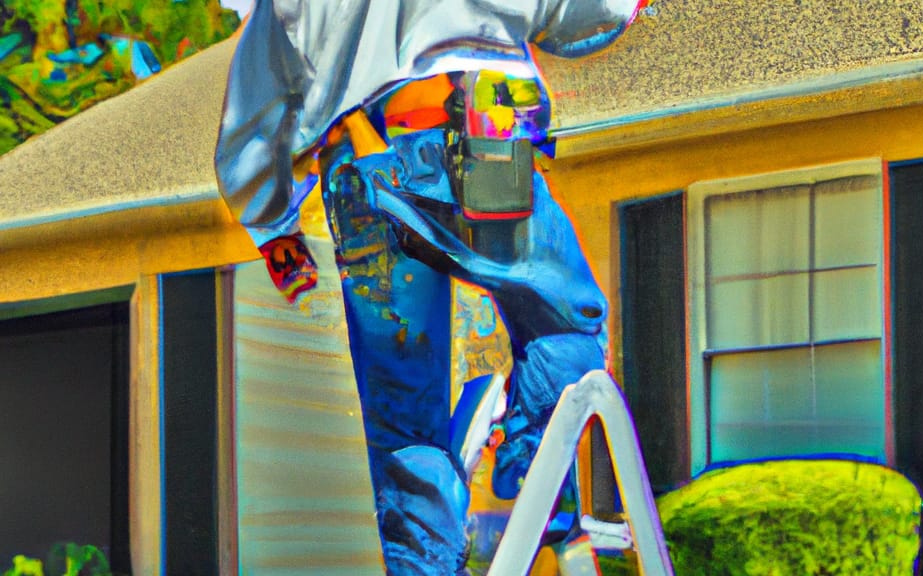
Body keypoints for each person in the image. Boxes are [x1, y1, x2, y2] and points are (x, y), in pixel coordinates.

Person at [215, 2, 645, 573]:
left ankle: (427, 561)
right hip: (484, 130)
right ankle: (526, 468)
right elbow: (577, 17)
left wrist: (270, 224)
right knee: (569, 319)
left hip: (358, 165)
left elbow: (257, 98)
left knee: (400, 413)